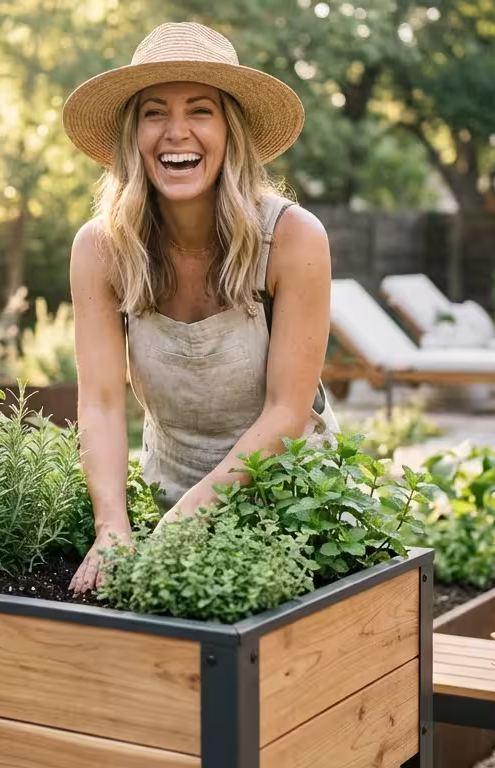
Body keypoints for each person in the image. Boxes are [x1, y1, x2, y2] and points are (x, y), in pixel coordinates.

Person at [61, 22, 341, 594]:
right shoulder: (100, 249)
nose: (176, 132)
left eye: (201, 110)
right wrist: (113, 525)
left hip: (294, 506)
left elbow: (288, 412)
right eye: (154, 112)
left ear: (231, 131)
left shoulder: (292, 239)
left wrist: (189, 516)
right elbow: (103, 402)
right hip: (164, 495)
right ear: (132, 134)